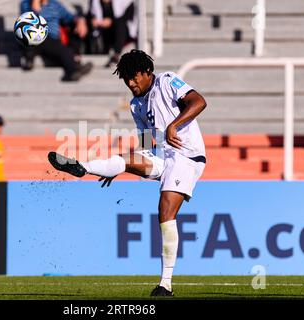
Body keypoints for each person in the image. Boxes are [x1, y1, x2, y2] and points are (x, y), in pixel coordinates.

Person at [48, 50, 207, 296]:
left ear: (147, 72)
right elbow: (146, 143)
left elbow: (199, 101)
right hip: (163, 156)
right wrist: (123, 166)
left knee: (165, 209)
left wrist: (174, 125)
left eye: (134, 77)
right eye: (126, 80)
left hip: (185, 155)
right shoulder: (136, 105)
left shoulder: (167, 80)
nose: (131, 83)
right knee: (123, 160)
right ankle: (83, 167)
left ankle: (165, 284)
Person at [20, 0, 93, 81]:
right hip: (35, 38)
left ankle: (74, 65)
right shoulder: (26, 4)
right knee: (63, 50)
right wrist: (35, 6)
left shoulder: (55, 5)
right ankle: (73, 69)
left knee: (64, 45)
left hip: (53, 40)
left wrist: (80, 21)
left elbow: (69, 17)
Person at [89, 0, 137, 67]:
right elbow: (91, 15)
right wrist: (94, 21)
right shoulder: (94, 2)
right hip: (103, 31)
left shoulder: (126, 2)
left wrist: (111, 21)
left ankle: (116, 54)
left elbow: (128, 17)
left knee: (120, 24)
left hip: (123, 33)